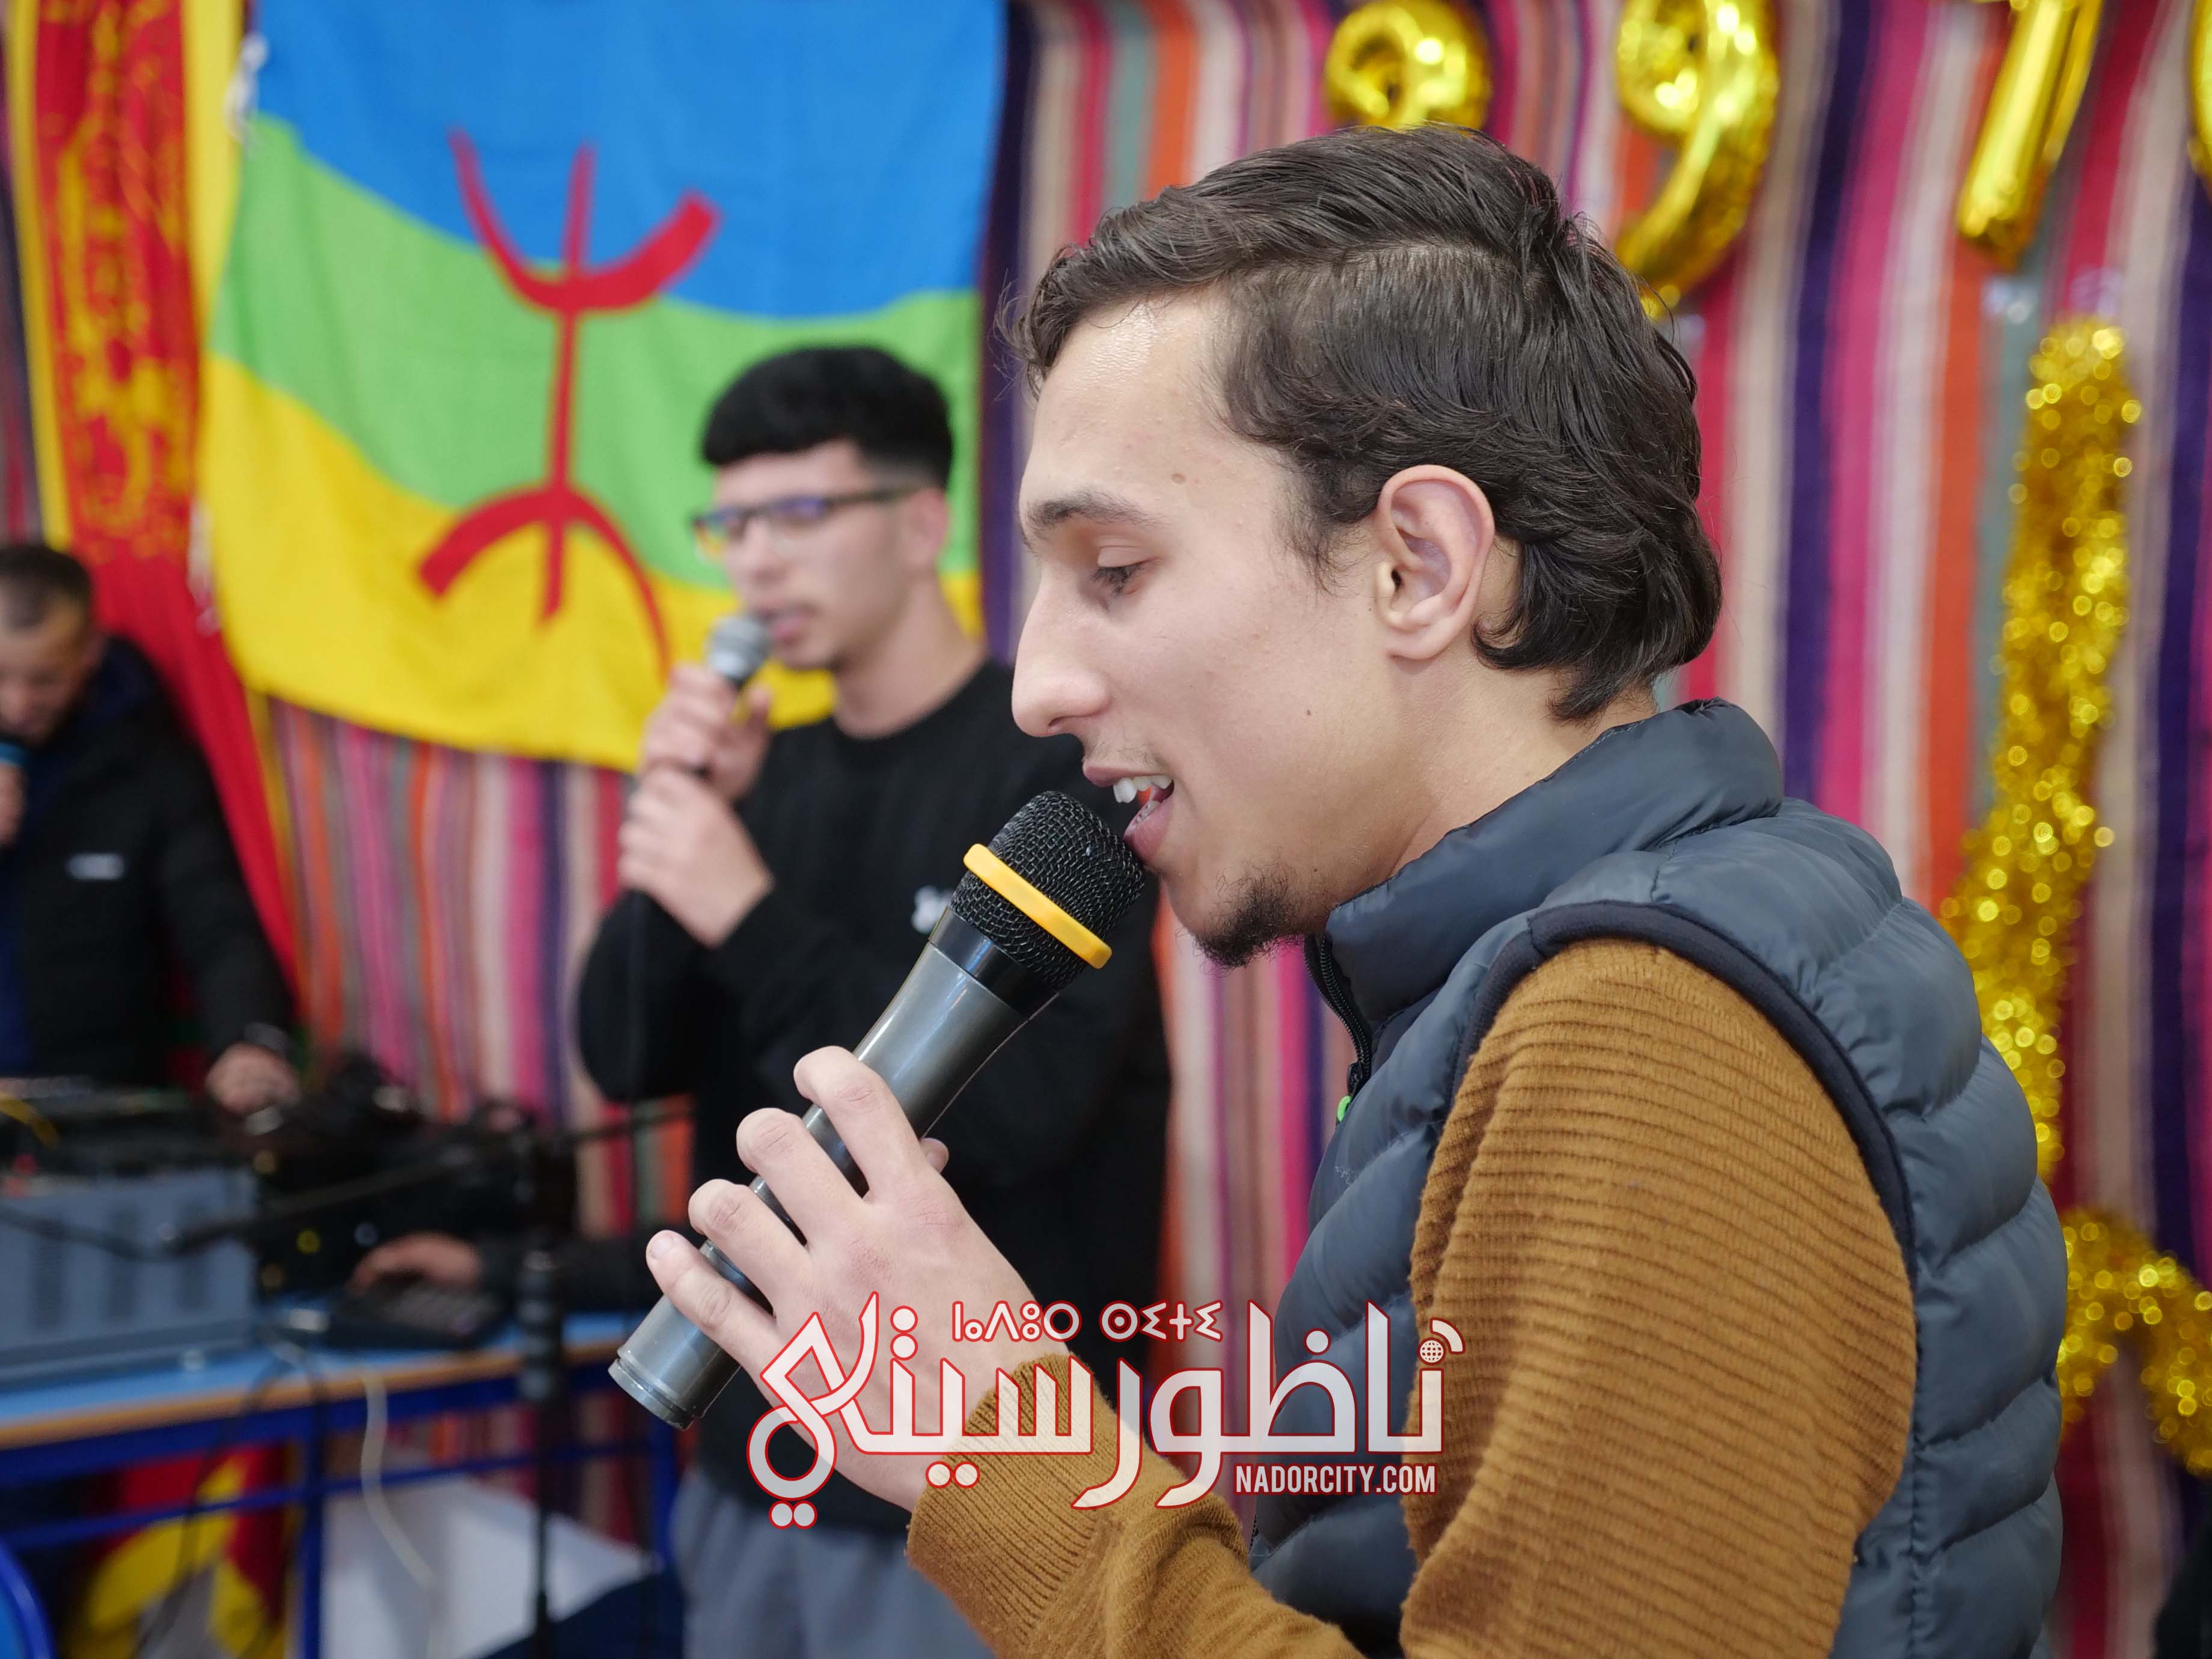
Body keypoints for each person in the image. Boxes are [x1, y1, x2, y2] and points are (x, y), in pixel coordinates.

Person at [643, 128, 2066, 1659]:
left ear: (1418, 565)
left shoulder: (1642, 1039)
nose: (1038, 686)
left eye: (1114, 569)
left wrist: (990, 1447)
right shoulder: (1618, 952)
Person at [355, 346, 1170, 1659]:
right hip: (749, 1453)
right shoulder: (762, 774)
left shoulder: (1048, 780)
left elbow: (1022, 1116)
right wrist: (681, 818)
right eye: (731, 527)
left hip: (954, 1479)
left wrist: (745, 911)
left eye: (798, 514)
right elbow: (624, 1056)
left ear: (919, 523)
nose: (757, 565)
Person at [0, 543, 295, 1111]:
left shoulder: (150, 764)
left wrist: (250, 1043)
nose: (17, 704)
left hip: (97, 1105)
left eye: (45, 680)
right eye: (0, 677)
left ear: (90, 651)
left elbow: (217, 921)